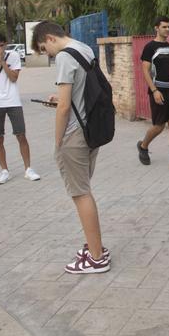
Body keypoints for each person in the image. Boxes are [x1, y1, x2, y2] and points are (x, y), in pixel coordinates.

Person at [31, 20, 111, 274]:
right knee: (84, 189)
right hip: (91, 130)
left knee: (80, 193)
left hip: (74, 135)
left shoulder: (64, 57)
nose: (48, 54)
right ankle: (96, 246)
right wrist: (62, 100)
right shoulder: (83, 48)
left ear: (50, 38)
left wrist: (58, 142)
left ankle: (97, 258)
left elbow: (65, 107)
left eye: (44, 48)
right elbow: (79, 92)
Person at [0, 32, 39, 184]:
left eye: (2, 45)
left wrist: (3, 63)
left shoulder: (13, 56)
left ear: (6, 44)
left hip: (13, 101)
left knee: (21, 134)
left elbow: (13, 77)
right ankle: (4, 170)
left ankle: (28, 168)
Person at [136, 17, 169, 172]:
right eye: (164, 27)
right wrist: (154, 90)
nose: (167, 29)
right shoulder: (150, 47)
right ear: (156, 28)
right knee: (159, 126)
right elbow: (145, 70)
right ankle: (143, 146)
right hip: (159, 91)